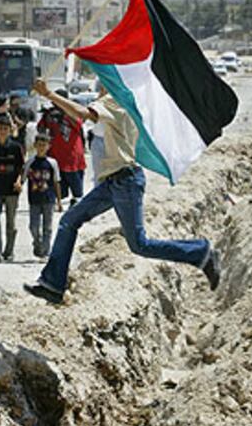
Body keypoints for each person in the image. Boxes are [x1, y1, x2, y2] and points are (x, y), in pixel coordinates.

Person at [24, 79, 221, 304]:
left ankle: (201, 253)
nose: (99, 90)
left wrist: (49, 94)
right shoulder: (128, 101)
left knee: (139, 244)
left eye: (102, 84)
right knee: (69, 220)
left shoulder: (116, 100)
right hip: (114, 181)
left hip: (125, 182)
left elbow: (81, 113)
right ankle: (53, 283)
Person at [0, 115, 24, 262]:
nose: (2, 131)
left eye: (5, 129)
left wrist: (19, 182)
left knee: (11, 223)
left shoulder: (15, 148)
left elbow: (21, 168)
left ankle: (9, 251)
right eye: (0, 129)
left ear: (9, 130)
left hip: (11, 190)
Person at [38, 88, 86, 207]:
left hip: (72, 155)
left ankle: (76, 203)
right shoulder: (49, 114)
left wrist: (64, 113)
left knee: (76, 187)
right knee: (59, 184)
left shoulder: (72, 113)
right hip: (56, 155)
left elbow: (79, 123)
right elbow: (40, 129)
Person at [22, 133, 62, 259]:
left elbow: (56, 182)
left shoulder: (52, 163)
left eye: (44, 145)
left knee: (48, 227)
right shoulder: (30, 162)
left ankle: (45, 252)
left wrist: (59, 201)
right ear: (35, 146)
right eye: (39, 145)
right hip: (34, 199)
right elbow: (22, 178)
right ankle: (37, 243)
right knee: (33, 226)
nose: (41, 148)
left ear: (48, 147)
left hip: (48, 198)